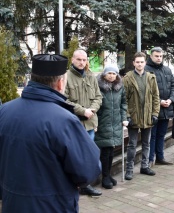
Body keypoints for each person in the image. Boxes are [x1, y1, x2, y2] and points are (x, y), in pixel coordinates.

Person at [0, 54, 101, 212]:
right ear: (61, 83)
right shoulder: (65, 120)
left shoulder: (4, 110)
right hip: (52, 206)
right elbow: (88, 170)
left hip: (12, 204)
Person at [64, 49, 103, 196]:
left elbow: (98, 97)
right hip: (75, 124)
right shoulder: (66, 77)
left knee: (89, 156)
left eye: (84, 60)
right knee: (74, 156)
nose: (82, 62)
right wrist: (82, 111)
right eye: (78, 59)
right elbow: (63, 99)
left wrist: (91, 110)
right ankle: (71, 185)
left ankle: (86, 185)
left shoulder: (91, 76)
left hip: (90, 123)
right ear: (72, 60)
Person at [123, 52, 160, 180]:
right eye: (137, 62)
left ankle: (144, 166)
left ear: (145, 63)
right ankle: (129, 169)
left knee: (146, 143)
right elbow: (124, 100)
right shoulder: (127, 78)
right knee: (132, 144)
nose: (139, 64)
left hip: (148, 115)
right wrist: (127, 116)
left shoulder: (151, 78)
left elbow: (156, 97)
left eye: (142, 62)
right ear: (133, 63)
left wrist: (155, 113)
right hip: (134, 116)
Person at [95, 64, 128, 189]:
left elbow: (123, 103)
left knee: (111, 151)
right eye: (109, 73)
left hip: (115, 123)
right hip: (103, 122)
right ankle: (105, 177)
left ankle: (108, 175)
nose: (112, 76)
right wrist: (95, 122)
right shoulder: (99, 87)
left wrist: (124, 118)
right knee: (105, 151)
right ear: (104, 74)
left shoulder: (119, 87)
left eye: (114, 74)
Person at [145, 47, 174, 166]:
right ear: (151, 56)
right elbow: (146, 91)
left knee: (161, 135)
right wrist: (160, 101)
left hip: (166, 109)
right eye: (156, 56)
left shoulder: (167, 70)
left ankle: (160, 157)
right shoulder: (146, 70)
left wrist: (171, 99)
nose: (159, 58)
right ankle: (150, 159)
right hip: (153, 110)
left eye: (160, 56)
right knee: (152, 136)